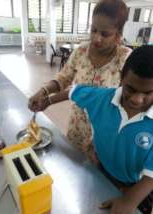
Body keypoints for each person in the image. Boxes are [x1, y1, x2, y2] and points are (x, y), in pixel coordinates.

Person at [28, 0, 131, 152]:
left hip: (106, 132)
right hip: (78, 125)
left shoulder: (125, 58)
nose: (97, 38)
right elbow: (63, 78)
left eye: (105, 34)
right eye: (94, 30)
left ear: (118, 34)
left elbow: (127, 97)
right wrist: (43, 92)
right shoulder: (81, 51)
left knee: (96, 173)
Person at [69, 45, 153, 214]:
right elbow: (73, 91)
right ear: (122, 77)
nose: (137, 99)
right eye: (131, 89)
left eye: (148, 93)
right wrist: (47, 98)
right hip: (102, 173)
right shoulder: (103, 98)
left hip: (137, 189)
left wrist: (130, 200)